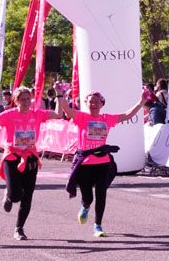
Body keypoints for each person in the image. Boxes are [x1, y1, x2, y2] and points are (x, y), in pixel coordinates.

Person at [0, 86, 55, 241]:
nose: (26, 102)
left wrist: (59, 95)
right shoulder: (9, 114)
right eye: (23, 99)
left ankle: (19, 228)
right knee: (15, 196)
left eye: (28, 99)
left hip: (30, 157)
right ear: (16, 101)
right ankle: (9, 195)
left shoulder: (37, 114)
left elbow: (59, 114)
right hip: (12, 157)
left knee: (27, 195)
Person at [60, 90, 145, 238]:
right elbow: (66, 109)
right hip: (85, 163)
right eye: (90, 102)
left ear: (102, 104)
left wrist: (141, 102)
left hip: (103, 162)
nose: (93, 104)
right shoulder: (81, 117)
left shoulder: (106, 119)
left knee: (101, 193)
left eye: (96, 102)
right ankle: (85, 206)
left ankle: (98, 225)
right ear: (86, 104)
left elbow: (127, 115)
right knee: (88, 197)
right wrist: (60, 95)